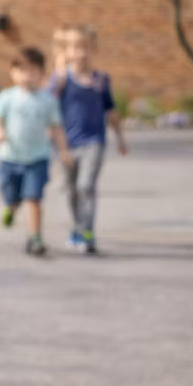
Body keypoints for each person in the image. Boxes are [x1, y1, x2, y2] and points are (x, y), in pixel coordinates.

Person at [0, 46, 74, 257]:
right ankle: (10, 207)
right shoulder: (7, 97)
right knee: (11, 194)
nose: (28, 76)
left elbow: (56, 128)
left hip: (37, 158)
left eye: (33, 71)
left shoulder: (48, 100)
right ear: (13, 73)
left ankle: (35, 237)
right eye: (23, 71)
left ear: (41, 74)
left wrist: (63, 151)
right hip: (9, 157)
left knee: (34, 198)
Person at [51, 26, 128, 254]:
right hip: (67, 144)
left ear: (93, 49)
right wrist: (59, 70)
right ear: (67, 51)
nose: (81, 52)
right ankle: (77, 227)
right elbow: (48, 105)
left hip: (94, 141)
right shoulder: (62, 78)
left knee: (86, 186)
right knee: (72, 190)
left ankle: (87, 233)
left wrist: (120, 139)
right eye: (75, 47)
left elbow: (111, 111)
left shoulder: (101, 80)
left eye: (85, 47)